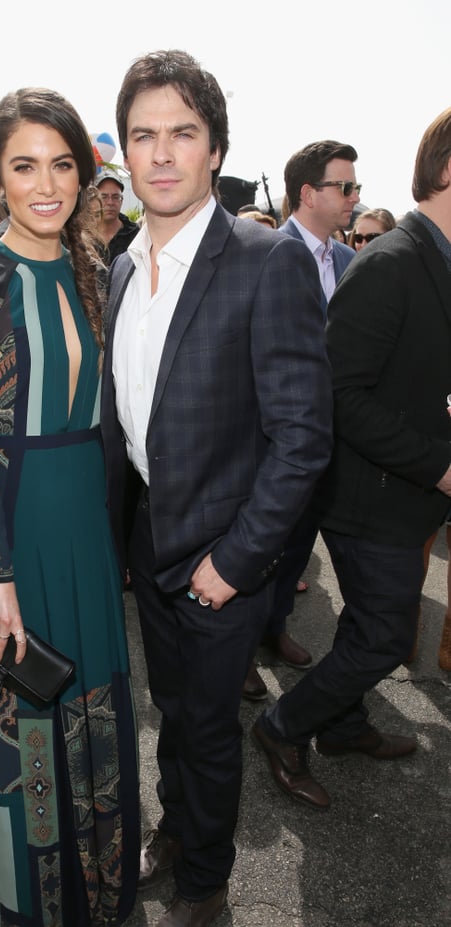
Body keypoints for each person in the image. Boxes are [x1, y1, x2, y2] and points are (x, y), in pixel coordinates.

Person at [101, 49, 332, 927]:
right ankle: (174, 834)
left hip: (220, 562)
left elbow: (302, 438)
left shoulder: (263, 260)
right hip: (148, 541)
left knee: (203, 727)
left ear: (213, 148)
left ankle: (203, 880)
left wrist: (237, 562)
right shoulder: (123, 265)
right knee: (170, 709)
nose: (160, 155)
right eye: (142, 136)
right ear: (123, 153)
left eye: (181, 134)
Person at [0, 87, 140, 927]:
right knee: (21, 725)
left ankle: (100, 886)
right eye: (25, 165)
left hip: (85, 532)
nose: (45, 183)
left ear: (86, 176)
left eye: (62, 164)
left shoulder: (93, 266)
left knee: (92, 701)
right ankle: (38, 914)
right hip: (13, 537)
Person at [253, 106, 451, 809]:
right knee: (382, 637)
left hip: (399, 493)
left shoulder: (433, 259)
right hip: (373, 497)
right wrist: (439, 464)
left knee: (369, 625)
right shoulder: (394, 262)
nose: (353, 198)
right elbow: (341, 395)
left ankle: (341, 723)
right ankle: (282, 725)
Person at [248, 140, 360, 687]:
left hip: (332, 439)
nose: (355, 198)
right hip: (273, 443)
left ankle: (273, 626)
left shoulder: (350, 260)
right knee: (262, 546)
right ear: (309, 193)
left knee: (296, 548)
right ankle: (240, 652)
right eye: (346, 187)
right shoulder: (263, 253)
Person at [95, 168, 139, 261]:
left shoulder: (135, 235)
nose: (110, 202)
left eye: (115, 197)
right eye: (104, 197)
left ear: (121, 200)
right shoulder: (82, 235)